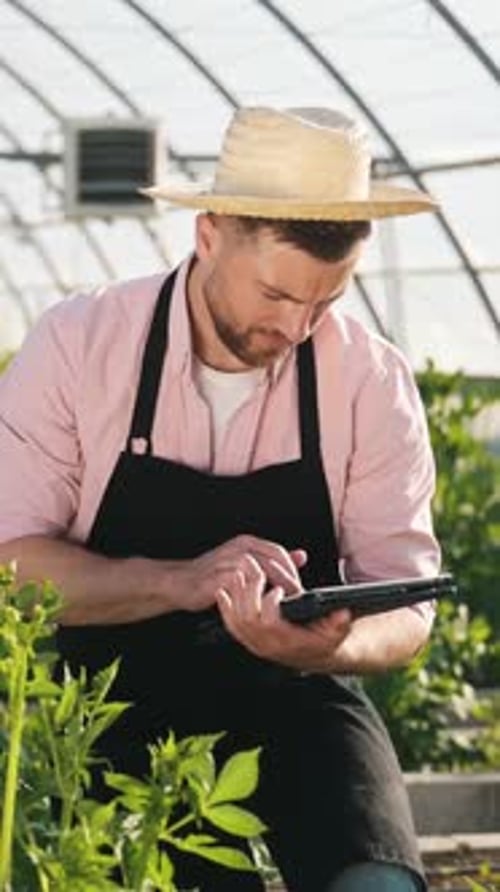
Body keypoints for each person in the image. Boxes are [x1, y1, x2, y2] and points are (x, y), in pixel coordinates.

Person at [0, 107, 441, 892]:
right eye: (275, 294)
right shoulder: (81, 345)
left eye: (325, 302)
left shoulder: (369, 379)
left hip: (299, 692)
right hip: (111, 701)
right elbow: (11, 569)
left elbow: (408, 607)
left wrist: (327, 646)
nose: (296, 327)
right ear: (208, 235)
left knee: (375, 882)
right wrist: (175, 581)